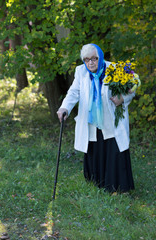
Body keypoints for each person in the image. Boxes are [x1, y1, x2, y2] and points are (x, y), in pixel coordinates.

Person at [57, 43, 135, 193]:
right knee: (95, 149)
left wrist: (122, 98)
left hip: (111, 120)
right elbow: (74, 92)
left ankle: (118, 187)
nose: (90, 62)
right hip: (92, 122)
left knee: (114, 149)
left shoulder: (114, 69)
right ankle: (97, 184)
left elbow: (131, 90)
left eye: (94, 58)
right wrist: (64, 107)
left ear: (100, 57)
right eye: (86, 59)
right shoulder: (81, 72)